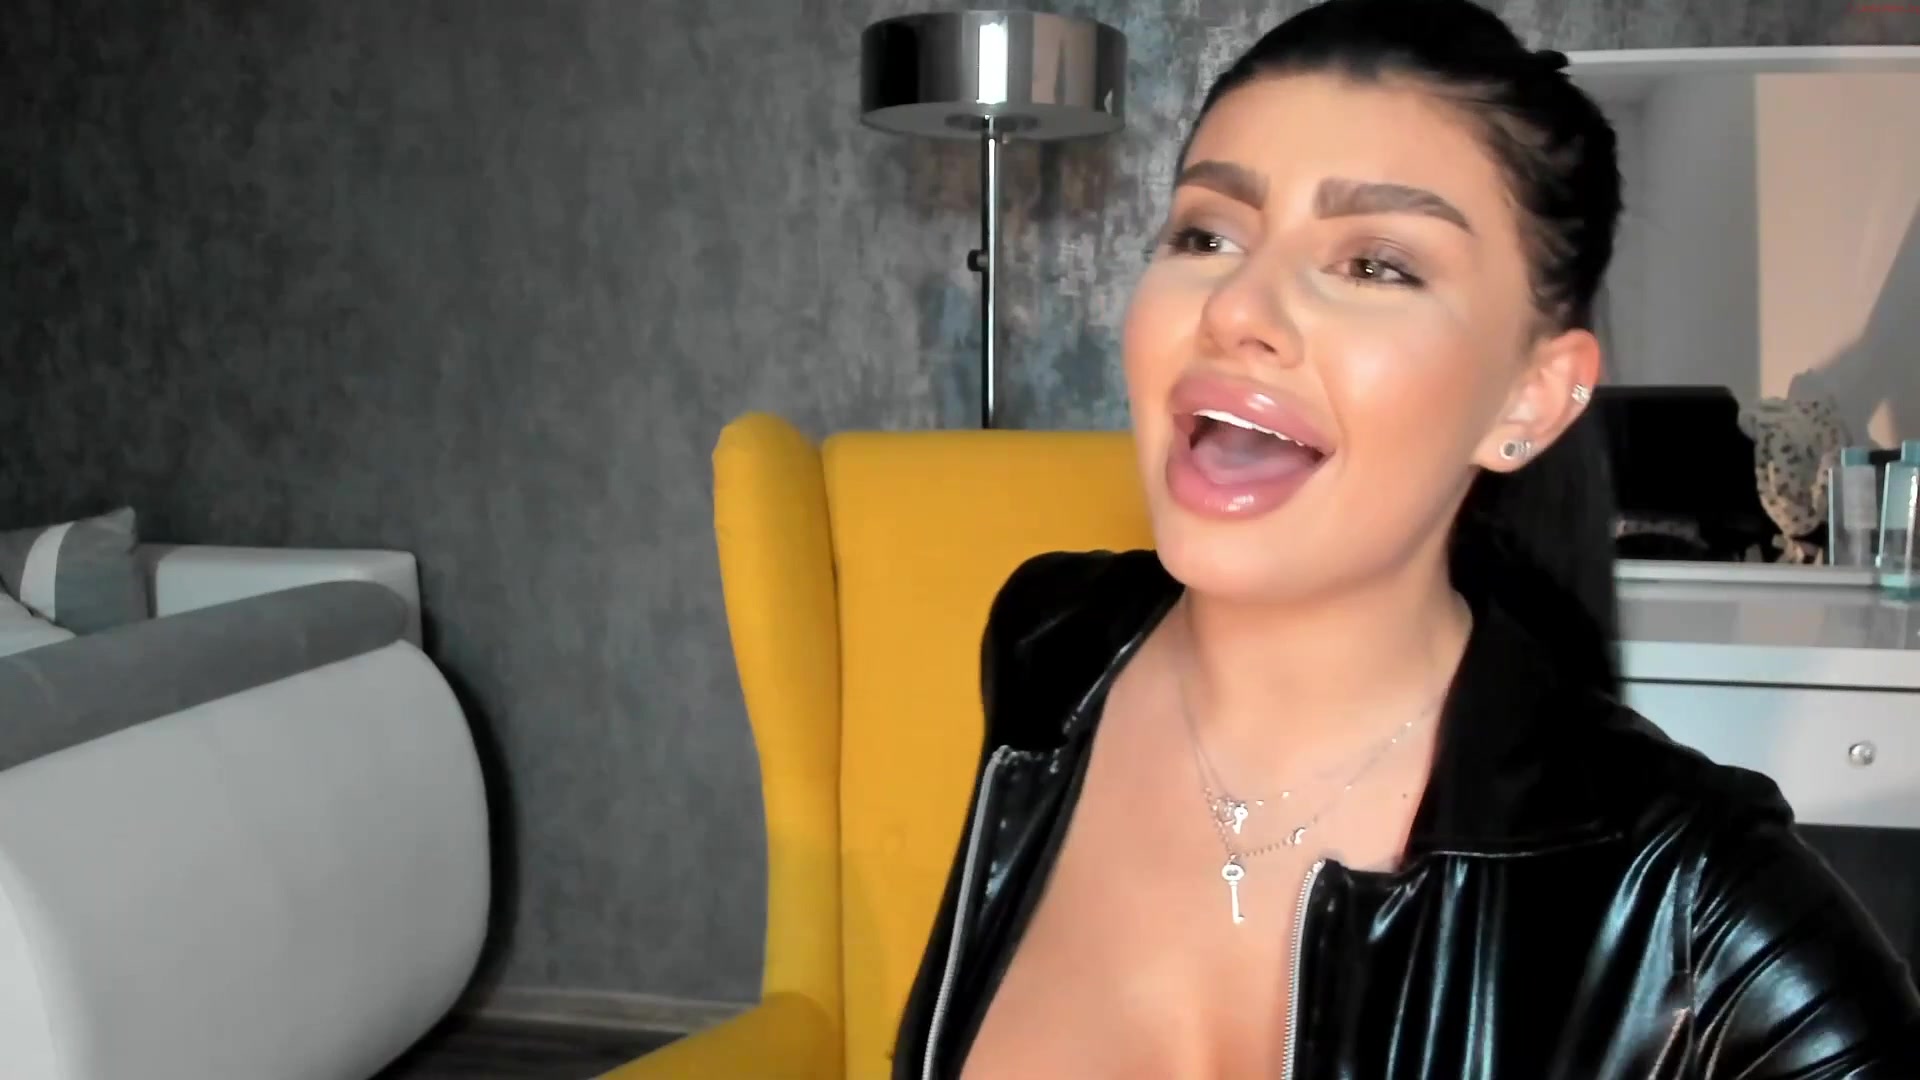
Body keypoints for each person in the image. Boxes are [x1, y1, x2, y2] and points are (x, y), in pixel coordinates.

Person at [890, 0, 1920, 1076]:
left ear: (1529, 398)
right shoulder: (1052, 645)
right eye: (1206, 234)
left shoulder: (1700, 916)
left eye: (1376, 264)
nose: (1236, 308)